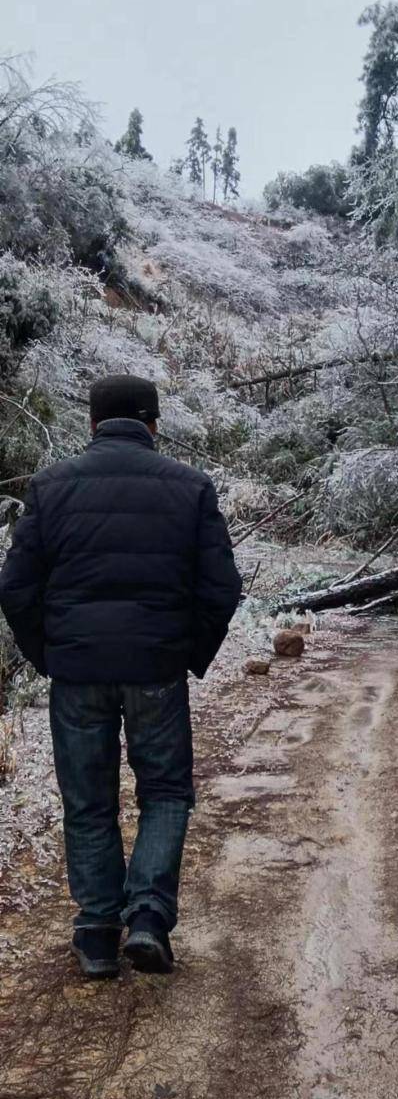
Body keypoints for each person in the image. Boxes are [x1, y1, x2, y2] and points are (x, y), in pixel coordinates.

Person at [0, 376, 243, 978]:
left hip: (78, 671)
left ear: (92, 423)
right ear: (154, 424)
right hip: (155, 669)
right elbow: (222, 588)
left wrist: (51, 654)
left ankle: (97, 935)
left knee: (88, 801)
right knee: (164, 792)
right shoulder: (189, 487)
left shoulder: (51, 487)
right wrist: (187, 652)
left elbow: (15, 588)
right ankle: (149, 918)